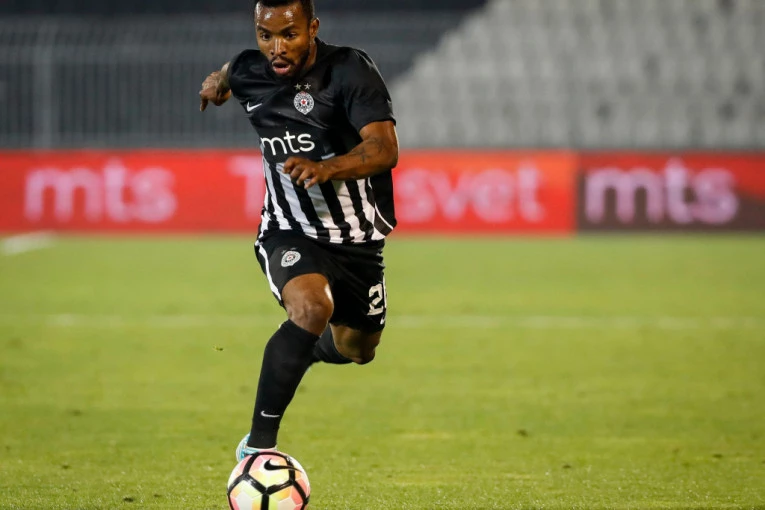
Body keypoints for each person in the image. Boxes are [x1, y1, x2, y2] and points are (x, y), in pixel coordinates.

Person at [199, 0, 398, 460]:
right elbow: (231, 72)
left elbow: (384, 149)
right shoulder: (250, 69)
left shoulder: (348, 70)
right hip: (288, 228)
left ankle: (305, 348)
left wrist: (328, 168)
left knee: (358, 348)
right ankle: (258, 451)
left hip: (357, 238)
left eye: (289, 34)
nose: (276, 47)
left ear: (313, 28)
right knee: (311, 308)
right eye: (265, 35)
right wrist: (217, 83)